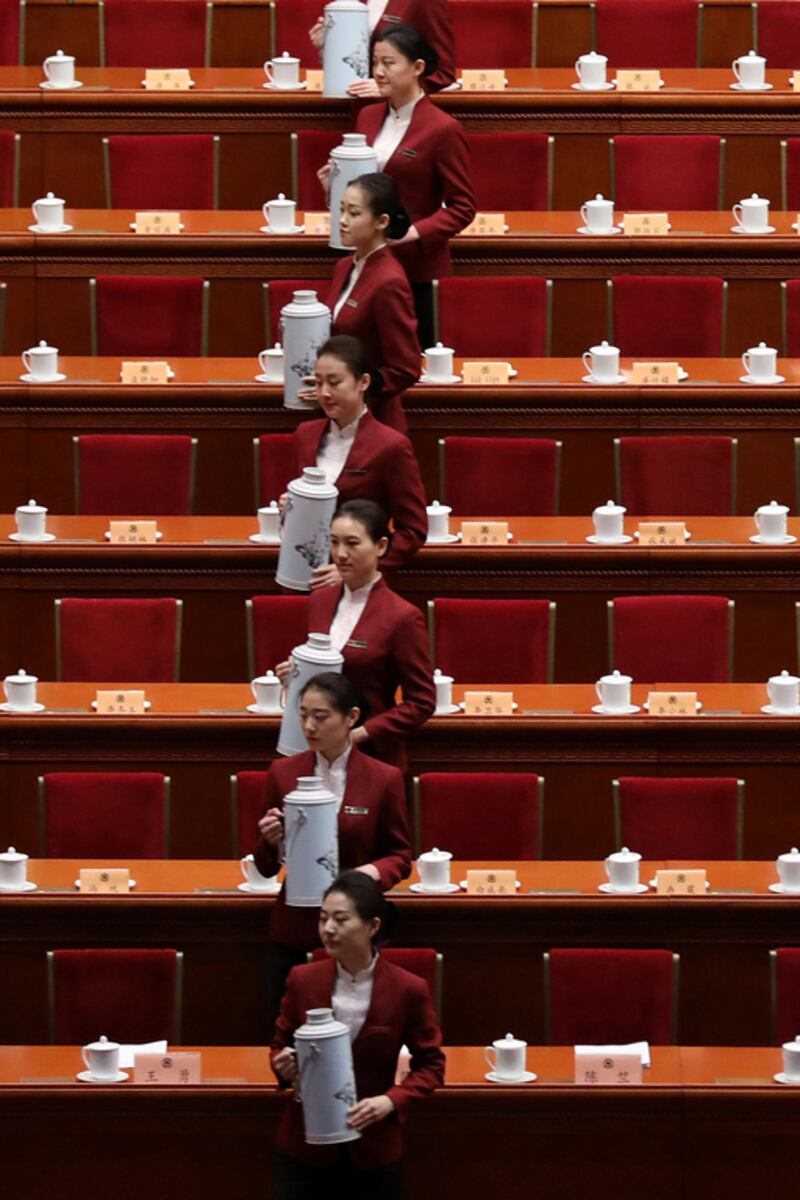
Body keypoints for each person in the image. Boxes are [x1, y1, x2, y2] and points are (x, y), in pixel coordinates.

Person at [271, 870, 445, 1199]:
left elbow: (432, 1066)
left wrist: (389, 1101)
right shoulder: (302, 979)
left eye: (340, 919)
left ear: (372, 926)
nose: (328, 929)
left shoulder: (407, 988)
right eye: (323, 919)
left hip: (373, 1148)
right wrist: (282, 1066)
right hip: (305, 1147)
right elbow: (279, 1047)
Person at [256, 673, 412, 1026]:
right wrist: (269, 839)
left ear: (352, 718)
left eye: (321, 716)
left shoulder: (383, 778)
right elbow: (265, 867)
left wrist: (363, 878)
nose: (309, 726)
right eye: (303, 714)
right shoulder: (282, 773)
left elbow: (400, 858)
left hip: (353, 928)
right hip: (294, 927)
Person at [276, 499, 436, 770]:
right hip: (315, 752)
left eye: (352, 543)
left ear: (381, 547)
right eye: (334, 542)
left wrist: (358, 735)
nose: (340, 553)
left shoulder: (402, 617)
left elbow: (421, 702)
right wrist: (297, 673)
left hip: (371, 759)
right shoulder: (320, 600)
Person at [291, 336, 427, 567]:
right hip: (305, 573)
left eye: (334, 383)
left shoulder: (390, 446)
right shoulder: (305, 435)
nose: (324, 393)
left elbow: (413, 531)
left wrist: (355, 568)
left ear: (363, 382)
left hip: (360, 586)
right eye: (318, 382)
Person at [328, 172, 420, 432]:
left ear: (381, 221)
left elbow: (405, 369)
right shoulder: (344, 266)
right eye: (341, 210)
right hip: (339, 416)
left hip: (375, 423)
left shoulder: (389, 281)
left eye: (354, 214)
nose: (342, 221)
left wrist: (352, 387)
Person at [308, 0, 456, 94]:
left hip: (402, 114)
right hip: (357, 105)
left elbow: (443, 74)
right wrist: (329, 45)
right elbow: (355, 61)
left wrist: (393, 87)